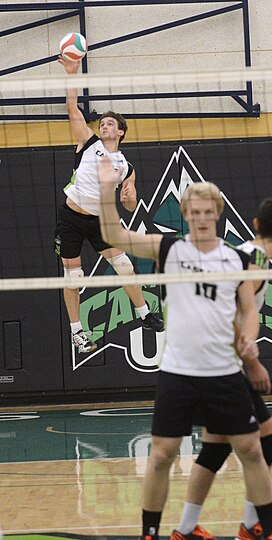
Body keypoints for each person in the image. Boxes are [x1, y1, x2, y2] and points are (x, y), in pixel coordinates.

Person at [97, 157, 272, 540]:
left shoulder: (236, 260)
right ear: (186, 214)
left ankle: (270, 530)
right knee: (161, 454)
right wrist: (106, 189)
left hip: (223, 372)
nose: (202, 217)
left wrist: (249, 334)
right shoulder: (168, 248)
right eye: (195, 211)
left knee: (253, 449)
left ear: (218, 215)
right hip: (178, 373)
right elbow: (111, 232)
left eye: (209, 212)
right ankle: (149, 539)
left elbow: (247, 307)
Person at [168, 197, 272, 540]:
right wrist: (251, 364)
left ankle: (190, 530)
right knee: (264, 442)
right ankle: (253, 527)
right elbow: (232, 317)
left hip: (219, 364)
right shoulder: (251, 263)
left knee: (215, 447)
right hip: (220, 367)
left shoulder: (249, 256)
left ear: (255, 223)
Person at [55, 56, 164, 353]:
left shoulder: (126, 167)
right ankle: (77, 332)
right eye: (102, 123)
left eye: (110, 123)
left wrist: (130, 199)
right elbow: (71, 107)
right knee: (74, 276)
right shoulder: (88, 142)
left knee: (124, 264)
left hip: (100, 221)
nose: (104, 125)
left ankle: (145, 314)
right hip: (72, 218)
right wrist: (72, 73)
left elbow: (130, 203)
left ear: (120, 132)